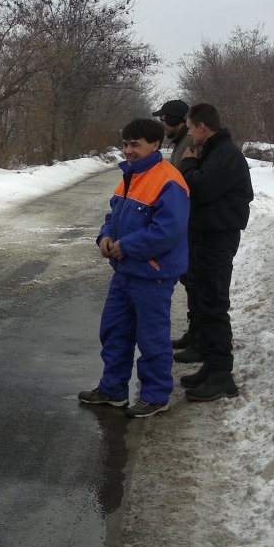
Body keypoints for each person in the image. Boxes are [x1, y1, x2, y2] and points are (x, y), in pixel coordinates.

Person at [79, 118, 189, 418]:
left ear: (155, 145)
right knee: (114, 332)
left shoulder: (170, 180)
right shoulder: (129, 176)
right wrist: (105, 236)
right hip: (125, 273)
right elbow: (113, 214)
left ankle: (155, 395)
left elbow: (168, 231)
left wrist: (127, 246)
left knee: (152, 338)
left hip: (152, 275)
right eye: (126, 144)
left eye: (135, 144)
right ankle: (113, 389)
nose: (128, 150)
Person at [175, 102, 254, 402]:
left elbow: (201, 189)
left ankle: (223, 374)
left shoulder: (224, 154)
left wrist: (189, 164)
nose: (189, 132)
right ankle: (211, 364)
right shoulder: (214, 150)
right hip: (206, 235)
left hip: (218, 237)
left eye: (190, 126)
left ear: (202, 127)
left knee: (214, 304)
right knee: (205, 301)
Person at [153, 99, 197, 351]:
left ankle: (198, 337)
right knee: (189, 280)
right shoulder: (181, 143)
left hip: (191, 222)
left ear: (176, 120)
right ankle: (194, 333)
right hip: (185, 222)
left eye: (164, 119)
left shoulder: (189, 143)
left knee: (194, 281)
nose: (161, 123)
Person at [152, 99, 195, 170]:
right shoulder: (182, 140)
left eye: (162, 120)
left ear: (173, 120)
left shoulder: (189, 141)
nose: (161, 125)